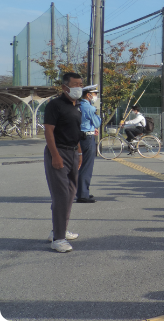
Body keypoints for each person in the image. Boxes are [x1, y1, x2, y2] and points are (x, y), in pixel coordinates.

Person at [43, 72, 84, 253]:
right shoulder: (54, 105)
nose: (78, 88)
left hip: (73, 152)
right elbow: (49, 132)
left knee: (70, 193)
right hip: (58, 152)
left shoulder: (77, 106)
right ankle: (58, 239)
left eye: (80, 84)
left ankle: (60, 230)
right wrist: (55, 156)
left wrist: (80, 153)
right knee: (60, 195)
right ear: (64, 87)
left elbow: (75, 132)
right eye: (75, 84)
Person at [76, 85, 101, 203]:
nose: (95, 96)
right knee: (87, 166)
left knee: (80, 165)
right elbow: (97, 122)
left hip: (79, 136)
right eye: (94, 94)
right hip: (87, 137)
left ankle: (82, 191)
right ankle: (83, 194)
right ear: (88, 95)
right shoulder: (89, 108)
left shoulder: (78, 105)